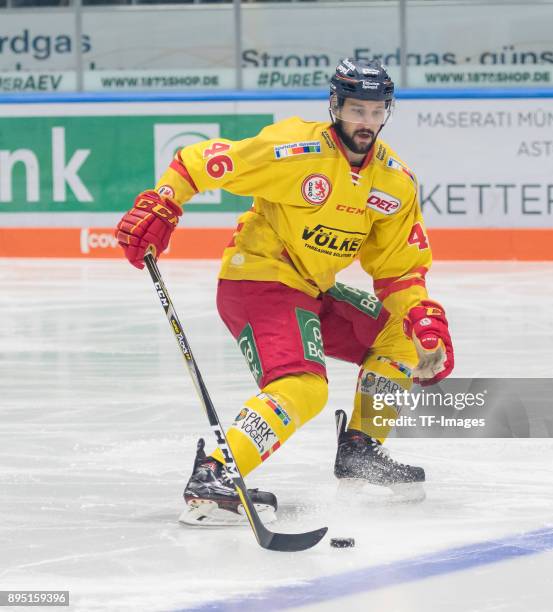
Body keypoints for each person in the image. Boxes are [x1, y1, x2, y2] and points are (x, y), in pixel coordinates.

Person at [115, 58, 454, 526]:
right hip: (259, 279)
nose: (367, 123)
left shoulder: (395, 182)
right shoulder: (293, 149)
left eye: (377, 112)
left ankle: (359, 447)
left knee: (399, 335)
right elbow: (199, 162)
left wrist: (422, 319)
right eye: (357, 109)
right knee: (303, 387)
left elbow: (399, 272)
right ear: (335, 105)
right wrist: (164, 201)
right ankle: (216, 473)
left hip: (313, 288)